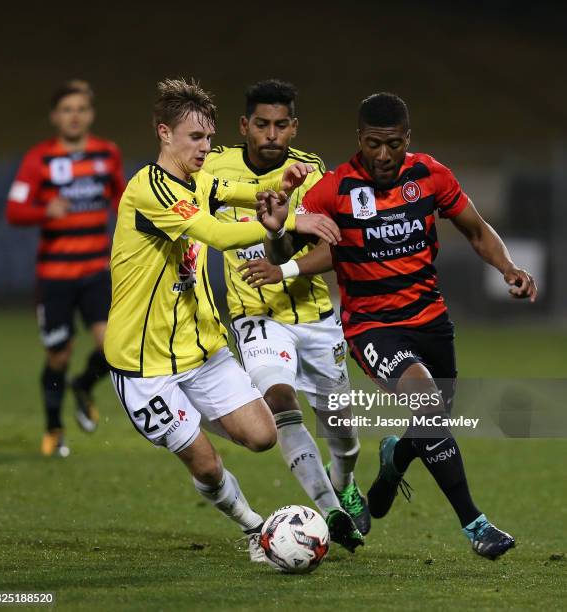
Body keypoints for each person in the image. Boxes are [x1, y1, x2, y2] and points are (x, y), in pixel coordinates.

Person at [251, 92, 537, 560]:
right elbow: (284, 254)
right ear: (358, 139)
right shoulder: (333, 189)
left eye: (392, 144)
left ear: (408, 139)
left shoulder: (430, 175)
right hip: (372, 326)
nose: (383, 155)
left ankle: (393, 462)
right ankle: (476, 525)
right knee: (427, 406)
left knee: (433, 421)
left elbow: (477, 230)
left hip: (431, 319)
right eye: (372, 144)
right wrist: (279, 228)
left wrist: (508, 268)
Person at [103, 77, 354, 561]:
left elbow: (243, 188)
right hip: (144, 362)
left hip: (200, 350)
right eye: (195, 138)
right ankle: (256, 530)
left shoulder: (199, 180)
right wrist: (276, 222)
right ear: (164, 134)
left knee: (262, 436)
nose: (205, 147)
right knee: (208, 465)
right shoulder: (149, 189)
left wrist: (285, 195)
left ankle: (190, 419)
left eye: (209, 139)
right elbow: (214, 232)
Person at [203, 79, 368, 544]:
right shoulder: (215, 170)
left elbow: (337, 251)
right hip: (255, 316)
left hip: (314, 315)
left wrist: (284, 267)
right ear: (244, 126)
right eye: (262, 125)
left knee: (343, 433)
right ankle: (331, 512)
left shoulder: (312, 173)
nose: (271, 134)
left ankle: (345, 478)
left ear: (293, 127)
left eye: (280, 125)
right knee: (279, 401)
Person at [6, 80, 126, 456]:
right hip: (55, 278)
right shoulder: (38, 159)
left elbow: (123, 200)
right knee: (58, 354)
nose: (75, 116)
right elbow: (14, 210)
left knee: (114, 347)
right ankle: (54, 428)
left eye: (81, 109)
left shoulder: (107, 154)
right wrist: (45, 211)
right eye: (67, 109)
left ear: (90, 115)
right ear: (55, 117)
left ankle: (84, 386)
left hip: (95, 272)